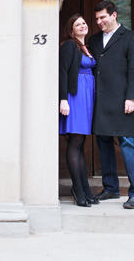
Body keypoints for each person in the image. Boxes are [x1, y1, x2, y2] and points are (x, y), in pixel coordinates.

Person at [87, 0, 134, 209]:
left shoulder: (130, 37)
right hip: (100, 102)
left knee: (129, 146)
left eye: (102, 17)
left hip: (122, 101)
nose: (99, 22)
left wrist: (132, 98)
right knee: (103, 146)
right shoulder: (93, 40)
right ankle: (110, 188)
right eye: (96, 19)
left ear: (114, 15)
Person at [59, 13, 98, 207]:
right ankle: (78, 189)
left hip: (87, 97)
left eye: (83, 23)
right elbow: (63, 72)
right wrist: (63, 99)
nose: (82, 26)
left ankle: (86, 189)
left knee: (80, 142)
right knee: (75, 142)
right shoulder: (69, 45)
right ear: (71, 29)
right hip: (74, 98)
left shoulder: (86, 47)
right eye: (77, 24)